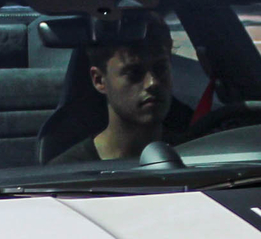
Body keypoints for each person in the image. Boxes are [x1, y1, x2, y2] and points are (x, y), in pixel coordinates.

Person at [53, 16, 188, 163]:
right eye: (134, 72)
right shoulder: (68, 174)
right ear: (99, 80)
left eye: (160, 68)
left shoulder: (196, 154)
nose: (152, 82)